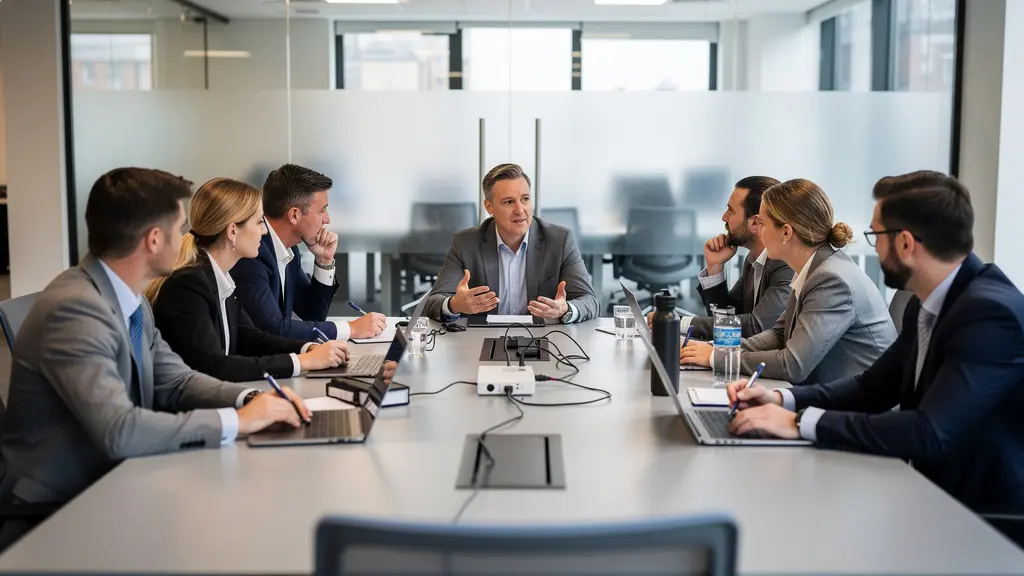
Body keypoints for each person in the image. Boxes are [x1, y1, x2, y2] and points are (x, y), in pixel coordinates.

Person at [0, 168, 312, 549]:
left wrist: (250, 400)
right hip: (61, 507)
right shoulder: (75, 310)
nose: (186, 237)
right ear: (153, 240)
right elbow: (120, 431)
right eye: (179, 227)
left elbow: (176, 380)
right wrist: (237, 421)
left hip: (116, 477)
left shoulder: (131, 301)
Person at [727, 171, 1024, 544]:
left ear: (904, 243)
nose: (873, 248)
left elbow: (929, 431)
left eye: (876, 235)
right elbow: (872, 389)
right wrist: (781, 398)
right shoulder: (928, 302)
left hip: (980, 521)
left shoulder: (990, 315)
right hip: (923, 492)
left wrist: (798, 422)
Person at [681, 179, 895, 385]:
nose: (759, 231)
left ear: (785, 232)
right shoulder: (811, 266)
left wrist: (718, 357)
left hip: (856, 409)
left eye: (763, 224)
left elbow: (793, 365)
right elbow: (779, 334)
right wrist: (715, 348)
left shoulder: (831, 280)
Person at [147, 178, 350, 382]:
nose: (264, 231)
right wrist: (303, 362)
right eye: (260, 222)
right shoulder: (189, 286)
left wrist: (308, 348)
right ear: (233, 231)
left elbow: (251, 338)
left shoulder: (220, 276)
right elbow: (214, 366)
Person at [423, 163, 600, 323]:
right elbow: (433, 301)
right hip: (480, 341)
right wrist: (454, 305)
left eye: (525, 199)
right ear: (489, 207)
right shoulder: (465, 243)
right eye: (508, 202)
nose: (520, 210)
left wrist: (566, 310)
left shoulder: (560, 240)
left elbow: (590, 301)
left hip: (544, 339)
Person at [230, 164, 386, 342]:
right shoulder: (252, 254)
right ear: (294, 215)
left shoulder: (288, 249)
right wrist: (351, 328)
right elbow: (273, 328)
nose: (327, 219)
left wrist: (324, 260)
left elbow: (312, 314)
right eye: (322, 210)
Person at [647, 176, 793, 339]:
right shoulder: (754, 259)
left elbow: (756, 327)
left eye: (731, 210)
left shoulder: (785, 264)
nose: (724, 217)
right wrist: (715, 266)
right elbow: (726, 317)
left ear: (755, 223)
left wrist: (677, 322)